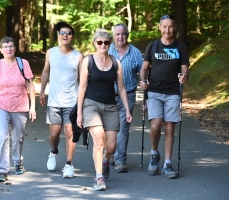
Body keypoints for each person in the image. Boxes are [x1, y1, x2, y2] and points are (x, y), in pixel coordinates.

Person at [77, 29, 132, 191]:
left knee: (111, 146)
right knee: (99, 139)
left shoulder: (116, 63)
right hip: (91, 105)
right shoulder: (88, 61)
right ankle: (99, 177)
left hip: (110, 106)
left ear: (110, 44)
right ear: (94, 43)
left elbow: (121, 88)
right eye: (99, 42)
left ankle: (106, 160)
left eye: (106, 42)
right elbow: (82, 87)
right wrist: (79, 113)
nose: (103, 45)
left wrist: (127, 109)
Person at [139, 14, 189, 179]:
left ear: (175, 28)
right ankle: (154, 154)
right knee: (156, 124)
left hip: (173, 92)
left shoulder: (180, 47)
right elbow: (144, 68)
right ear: (160, 27)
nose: (167, 30)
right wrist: (143, 81)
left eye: (171, 26)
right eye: (164, 26)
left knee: (169, 126)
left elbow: (185, 69)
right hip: (154, 91)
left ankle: (167, 163)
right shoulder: (153, 46)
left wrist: (184, 76)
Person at [0, 36, 36, 182]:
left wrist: (32, 107)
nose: (9, 49)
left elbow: (30, 85)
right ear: (1, 50)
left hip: (20, 105)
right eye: (5, 47)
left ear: (15, 48)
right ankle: (2, 170)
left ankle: (17, 162)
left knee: (18, 138)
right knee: (3, 136)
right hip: (1, 104)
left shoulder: (22, 63)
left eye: (11, 46)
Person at [40, 21, 84, 178]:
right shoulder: (51, 53)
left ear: (72, 37)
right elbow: (45, 72)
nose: (65, 35)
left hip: (72, 101)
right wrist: (42, 92)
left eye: (68, 33)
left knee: (70, 132)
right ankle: (53, 152)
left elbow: (83, 79)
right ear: (58, 36)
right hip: (54, 101)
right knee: (54, 135)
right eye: (62, 33)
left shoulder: (78, 56)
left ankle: (69, 164)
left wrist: (82, 100)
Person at [108, 23, 143, 173]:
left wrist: (144, 81)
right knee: (108, 128)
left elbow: (142, 72)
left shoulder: (135, 52)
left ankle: (120, 160)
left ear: (127, 35)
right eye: (117, 34)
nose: (120, 37)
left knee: (123, 129)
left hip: (128, 95)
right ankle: (108, 155)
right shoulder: (107, 50)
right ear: (114, 35)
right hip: (108, 95)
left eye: (123, 34)